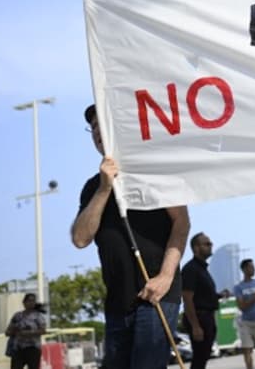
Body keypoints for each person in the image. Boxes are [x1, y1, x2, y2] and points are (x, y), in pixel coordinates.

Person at [72, 104, 189, 369]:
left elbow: (181, 224)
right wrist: (104, 189)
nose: (97, 132)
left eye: (102, 124)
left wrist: (166, 277)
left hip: (156, 294)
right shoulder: (92, 187)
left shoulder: (153, 171)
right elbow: (80, 238)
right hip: (117, 302)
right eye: (92, 128)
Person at [181, 233, 230, 369]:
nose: (210, 246)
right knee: (199, 357)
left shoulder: (202, 269)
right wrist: (195, 326)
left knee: (203, 357)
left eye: (210, 243)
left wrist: (219, 295)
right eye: (207, 244)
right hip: (199, 317)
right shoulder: (191, 269)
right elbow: (187, 298)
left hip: (207, 317)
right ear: (196, 248)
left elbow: (203, 296)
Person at [5, 293, 47, 369]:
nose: (31, 303)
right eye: (29, 301)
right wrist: (15, 331)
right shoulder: (17, 316)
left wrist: (29, 333)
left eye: (33, 301)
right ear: (24, 302)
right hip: (18, 349)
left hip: (33, 349)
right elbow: (7, 332)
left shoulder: (38, 316)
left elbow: (43, 330)